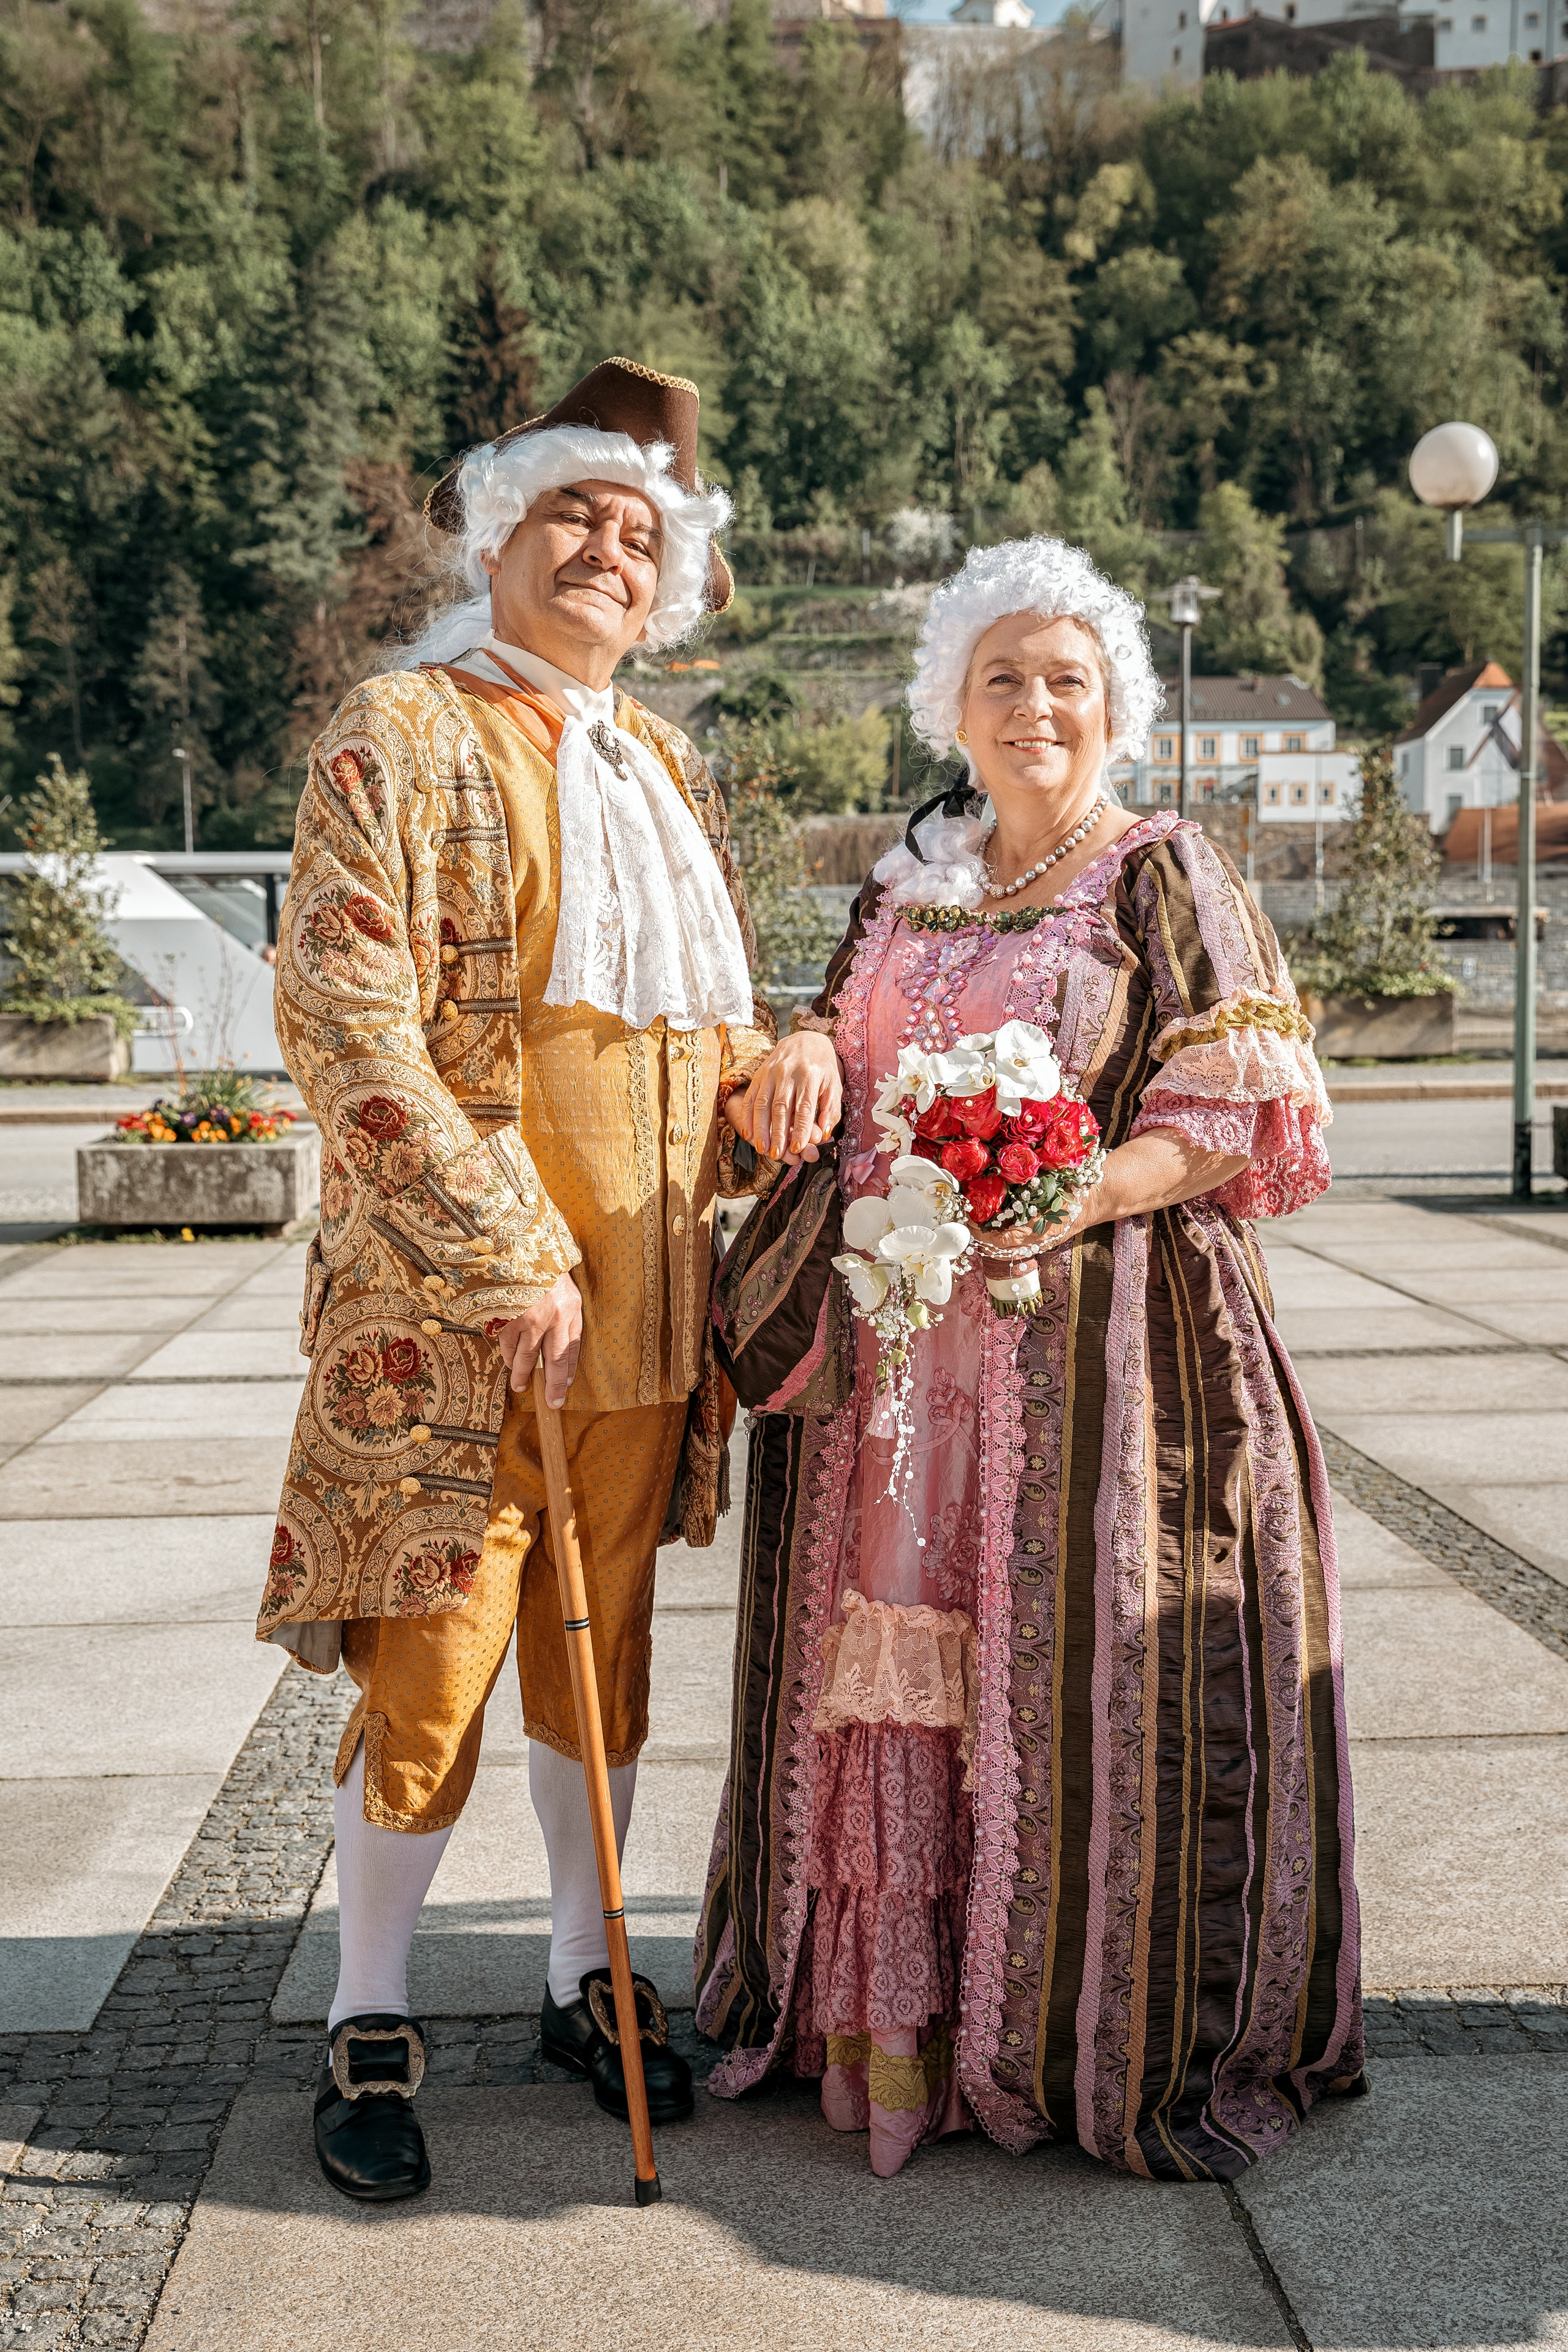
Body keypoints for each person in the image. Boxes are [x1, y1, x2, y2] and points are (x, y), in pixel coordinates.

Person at [699, 536, 1364, 2182]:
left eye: (1069, 678)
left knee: (1062, 1672)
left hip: (1101, 1356)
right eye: (1003, 677)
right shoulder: (906, 884)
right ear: (955, 705)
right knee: (880, 1658)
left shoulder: (1159, 870)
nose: (1036, 705)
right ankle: (881, 2021)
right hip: (891, 1362)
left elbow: (1238, 1103)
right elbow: (837, 1030)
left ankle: (1050, 2031)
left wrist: (1074, 1196)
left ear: (1116, 704)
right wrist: (801, 1042)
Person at [255, 358, 776, 2201]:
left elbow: (698, 1025)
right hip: (464, 1321)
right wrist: (498, 1250)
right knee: (436, 1663)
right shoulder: (399, 730)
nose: (608, 552)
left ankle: (580, 1974)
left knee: (602, 1656)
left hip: (645, 1317)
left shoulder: (670, 766)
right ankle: (368, 2009)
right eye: (574, 516)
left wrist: (782, 1069)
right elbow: (343, 1014)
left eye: (640, 535)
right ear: (497, 536)